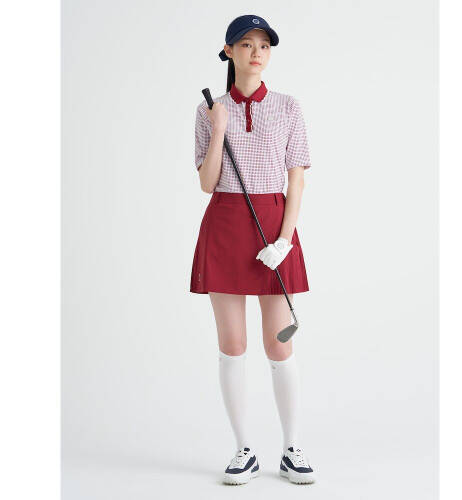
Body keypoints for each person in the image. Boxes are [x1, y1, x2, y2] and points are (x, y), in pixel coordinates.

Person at [190, 14, 316, 485]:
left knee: (279, 344)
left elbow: (296, 180)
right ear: (228, 51)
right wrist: (219, 127)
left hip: (274, 228)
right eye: (246, 44)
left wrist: (285, 240)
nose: (256, 52)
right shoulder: (209, 110)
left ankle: (291, 448)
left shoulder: (288, 106)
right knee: (233, 345)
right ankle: (243, 449)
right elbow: (207, 183)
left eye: (264, 44)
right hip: (225, 224)